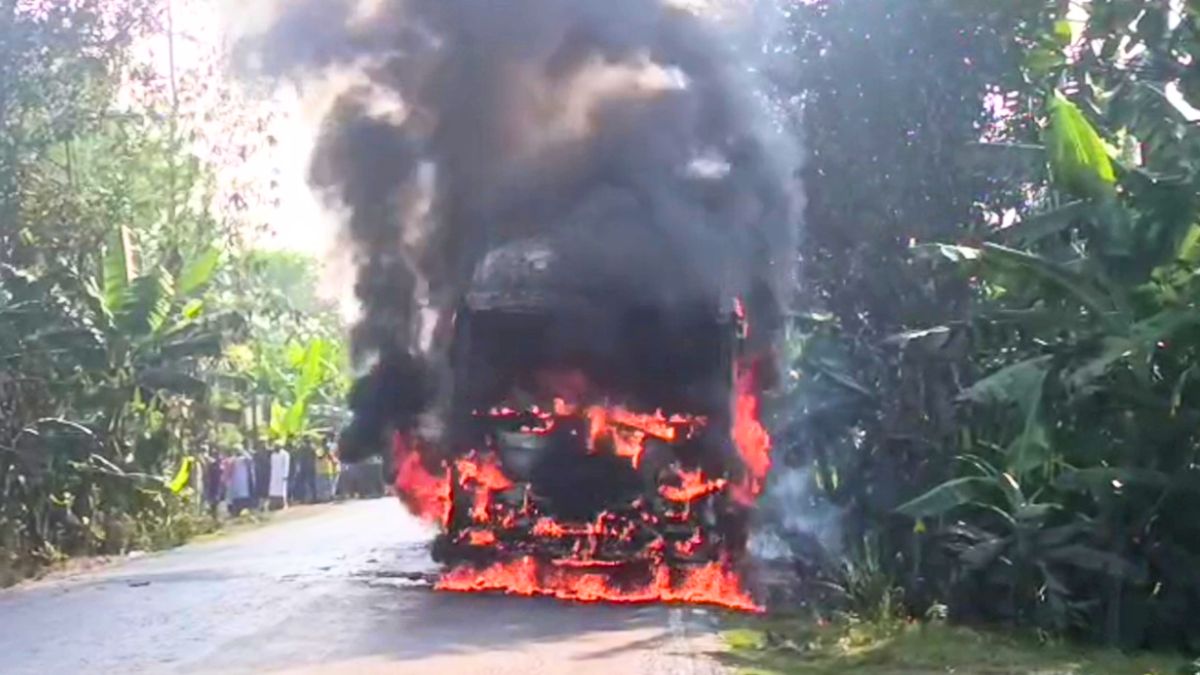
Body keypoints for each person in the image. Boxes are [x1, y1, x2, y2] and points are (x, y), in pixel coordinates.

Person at [269, 445, 291, 510]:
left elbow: (286, 465)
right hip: (274, 474)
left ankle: (282, 503)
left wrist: (285, 475)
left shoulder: (285, 454)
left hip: (282, 474)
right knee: (273, 489)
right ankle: (273, 503)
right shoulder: (273, 455)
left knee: (282, 489)